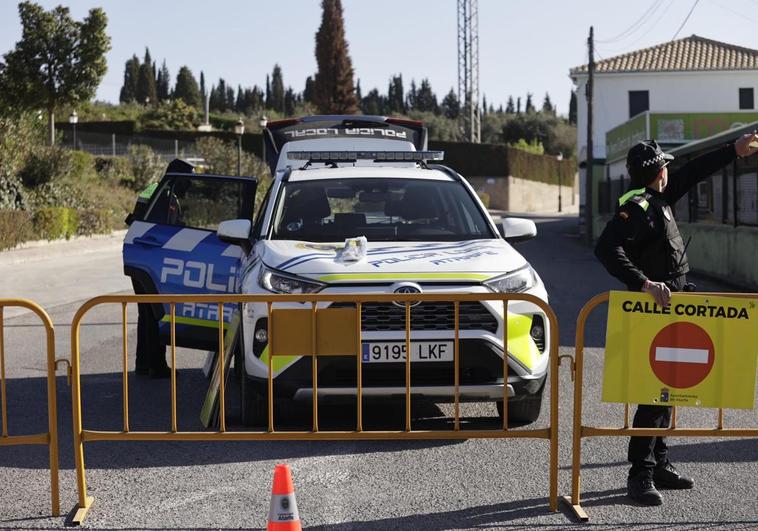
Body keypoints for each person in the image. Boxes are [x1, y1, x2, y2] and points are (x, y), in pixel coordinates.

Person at [594, 132, 758, 506]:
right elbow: (606, 248)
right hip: (655, 311)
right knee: (652, 394)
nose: (671, 171)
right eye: (666, 165)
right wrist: (644, 283)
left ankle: (660, 463)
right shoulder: (637, 207)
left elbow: (695, 170)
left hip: (674, 308)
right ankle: (640, 474)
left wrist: (733, 150)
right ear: (658, 172)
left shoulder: (659, 199)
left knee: (666, 391)